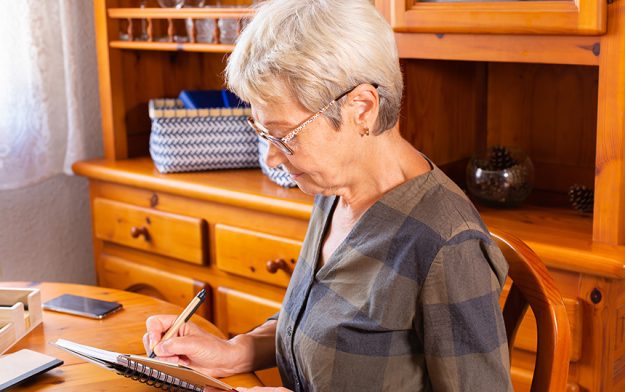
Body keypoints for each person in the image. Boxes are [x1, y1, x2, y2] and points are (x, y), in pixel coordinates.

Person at [143, 1, 513, 390]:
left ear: (361, 108)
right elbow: (322, 323)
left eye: (284, 134)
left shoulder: (447, 244)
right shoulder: (334, 189)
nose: (271, 155)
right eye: (262, 131)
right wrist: (236, 350)